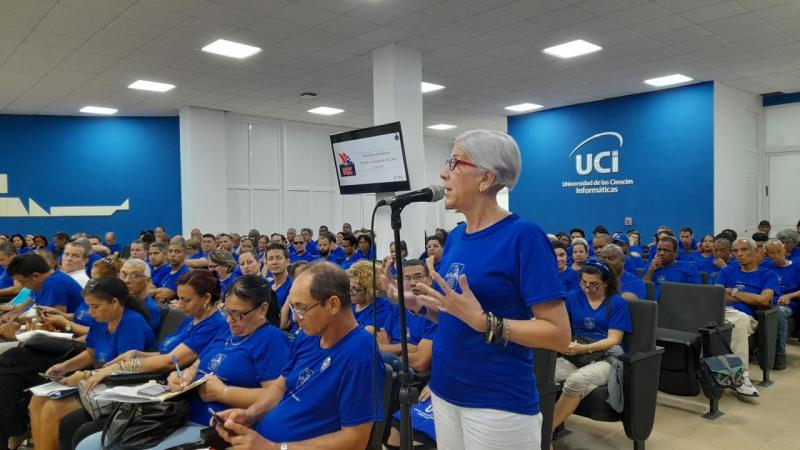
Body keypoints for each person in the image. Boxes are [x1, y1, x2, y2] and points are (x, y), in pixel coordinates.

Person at [381, 129, 570, 449]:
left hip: (497, 402)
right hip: (446, 391)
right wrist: (421, 306)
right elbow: (460, 317)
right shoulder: (456, 237)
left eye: (455, 163)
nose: (443, 172)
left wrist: (488, 323)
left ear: (486, 178)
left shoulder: (524, 237)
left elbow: (558, 334)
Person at [76, 275, 290, 450]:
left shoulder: (271, 339)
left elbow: (275, 397)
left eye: (239, 314)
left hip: (211, 425)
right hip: (174, 415)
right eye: (228, 312)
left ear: (262, 309)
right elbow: (199, 363)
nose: (231, 319)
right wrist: (182, 375)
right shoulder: (227, 331)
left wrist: (222, 392)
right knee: (87, 445)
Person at [213, 262, 384, 449]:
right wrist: (250, 414)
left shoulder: (360, 354)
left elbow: (355, 441)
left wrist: (275, 448)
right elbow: (280, 385)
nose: (295, 318)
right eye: (293, 309)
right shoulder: (308, 335)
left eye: (301, 309)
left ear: (333, 304)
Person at [30, 277, 156, 450]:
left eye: (95, 306)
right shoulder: (101, 321)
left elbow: (126, 370)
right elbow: (91, 353)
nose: (90, 312)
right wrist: (64, 366)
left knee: (53, 409)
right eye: (88, 306)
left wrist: (86, 375)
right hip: (98, 383)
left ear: (114, 302)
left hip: (122, 391)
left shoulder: (131, 322)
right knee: (37, 401)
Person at [553, 261, 631, 432]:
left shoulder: (616, 302)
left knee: (576, 380)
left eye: (594, 285)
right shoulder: (573, 297)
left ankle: (545, 432)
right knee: (544, 375)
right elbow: (561, 326)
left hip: (605, 357)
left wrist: (585, 349)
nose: (587, 288)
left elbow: (614, 339)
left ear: (606, 283)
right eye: (583, 283)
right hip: (576, 353)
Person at [716, 238, 779, 396]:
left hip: (748, 317)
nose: (740, 254)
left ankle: (741, 377)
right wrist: (751, 297)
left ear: (756, 252)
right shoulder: (727, 270)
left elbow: (764, 300)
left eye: (744, 249)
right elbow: (717, 295)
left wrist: (733, 292)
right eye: (736, 251)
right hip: (721, 312)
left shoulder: (768, 274)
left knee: (740, 321)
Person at [377, 259, 437, 373]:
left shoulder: (435, 314)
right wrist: (403, 347)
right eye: (407, 278)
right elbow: (380, 342)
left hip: (412, 377)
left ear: (429, 280)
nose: (412, 283)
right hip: (389, 369)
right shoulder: (398, 308)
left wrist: (391, 355)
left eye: (418, 277)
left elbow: (421, 361)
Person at [762, 239, 800, 371]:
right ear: (767, 254)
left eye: (779, 251)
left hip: (788, 304)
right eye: (772, 253)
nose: (776, 255)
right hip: (766, 300)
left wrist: (789, 295)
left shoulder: (796, 266)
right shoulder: (765, 266)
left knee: (778, 312)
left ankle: (779, 355)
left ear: (784, 249)